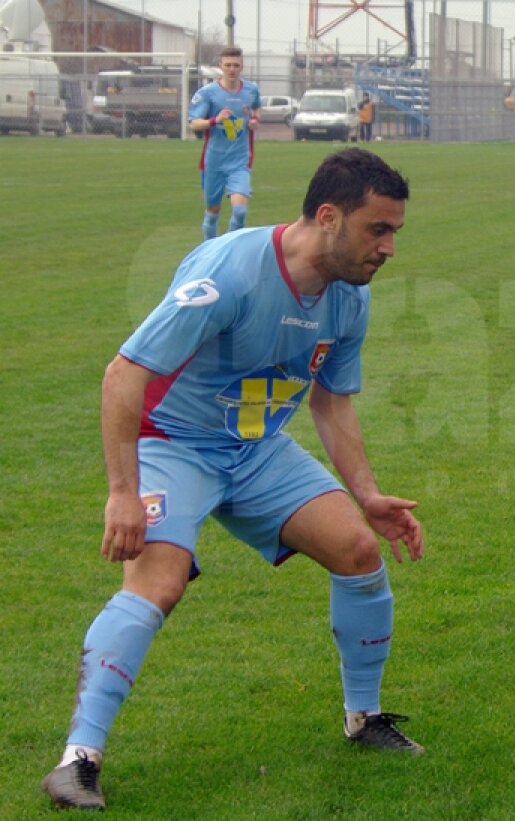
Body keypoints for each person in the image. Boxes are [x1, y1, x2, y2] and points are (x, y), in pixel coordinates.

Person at [40, 149, 427, 811]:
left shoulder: (349, 298)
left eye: (394, 231)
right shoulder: (230, 272)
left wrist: (367, 495)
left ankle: (363, 718)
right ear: (328, 217)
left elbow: (331, 402)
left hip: (255, 450)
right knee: (159, 583)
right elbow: (124, 374)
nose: (389, 247)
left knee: (359, 551)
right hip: (173, 443)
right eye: (378, 229)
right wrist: (124, 492)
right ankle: (77, 760)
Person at [188, 46, 262, 241]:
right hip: (214, 162)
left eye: (236, 65)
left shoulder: (251, 90)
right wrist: (215, 120)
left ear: (242, 66)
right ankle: (210, 248)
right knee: (213, 212)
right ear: (220, 66)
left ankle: (229, 246)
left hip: (240, 161)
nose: (232, 69)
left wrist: (255, 120)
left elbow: (256, 107)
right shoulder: (207, 93)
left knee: (240, 212)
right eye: (228, 65)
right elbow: (194, 124)